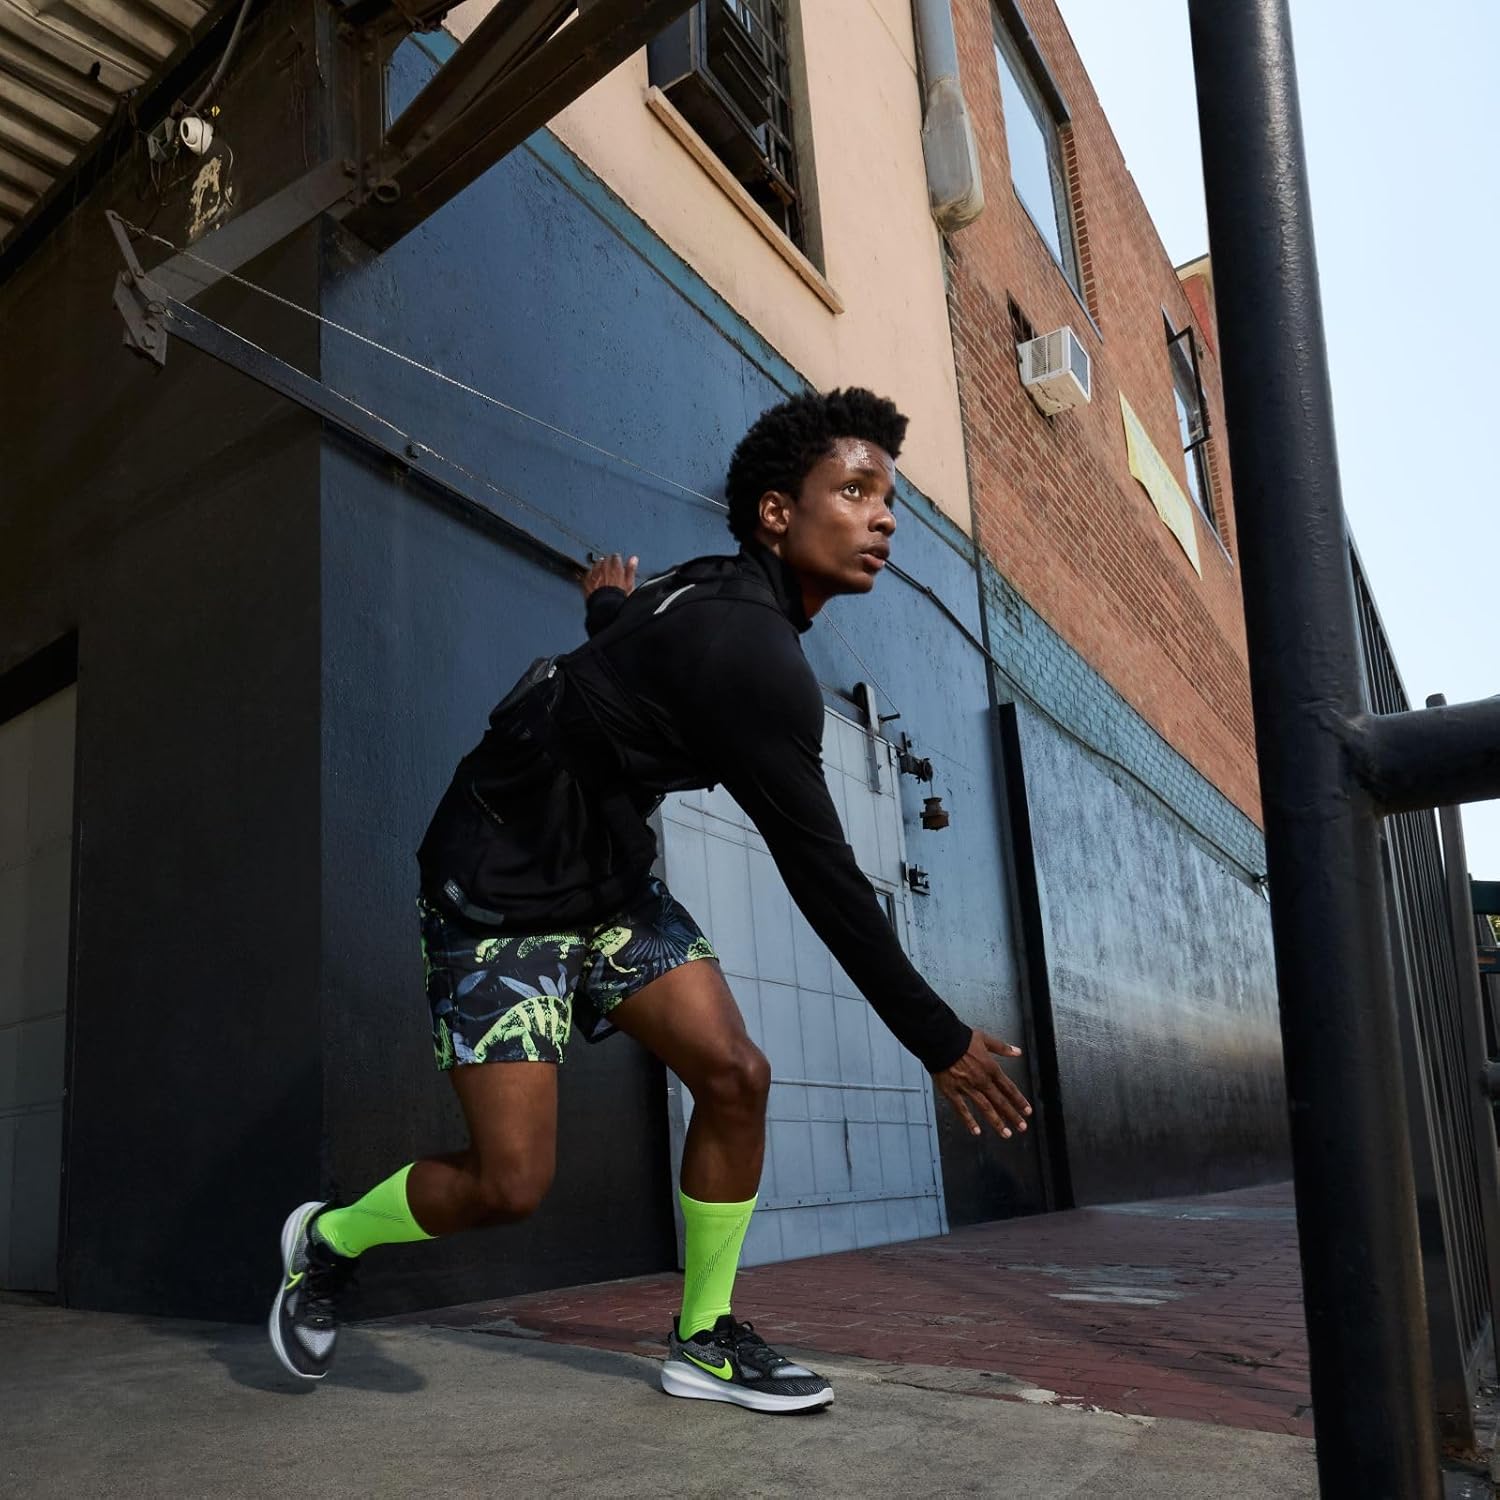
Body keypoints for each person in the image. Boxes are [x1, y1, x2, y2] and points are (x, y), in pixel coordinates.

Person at [268, 388, 1033, 1413]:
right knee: (510, 1185)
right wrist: (936, 1038)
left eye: (887, 498)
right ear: (777, 513)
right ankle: (328, 1240)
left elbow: (622, 653)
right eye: (856, 491)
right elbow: (825, 877)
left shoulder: (712, 592)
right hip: (497, 891)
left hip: (610, 882)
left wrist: (601, 609)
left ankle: (703, 1338)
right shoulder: (753, 654)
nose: (884, 517)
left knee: (735, 1076)